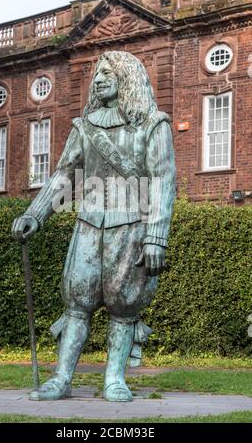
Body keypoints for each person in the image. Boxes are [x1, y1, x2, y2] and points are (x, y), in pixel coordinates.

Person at [12, 51, 176, 402]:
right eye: (97, 74)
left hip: (131, 228)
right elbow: (64, 176)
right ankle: (61, 378)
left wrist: (156, 237)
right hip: (88, 227)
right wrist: (35, 214)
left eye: (107, 73)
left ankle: (114, 379)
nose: (98, 79)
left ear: (127, 78)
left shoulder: (153, 124)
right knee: (77, 303)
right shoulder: (83, 127)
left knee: (123, 306)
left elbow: (163, 181)